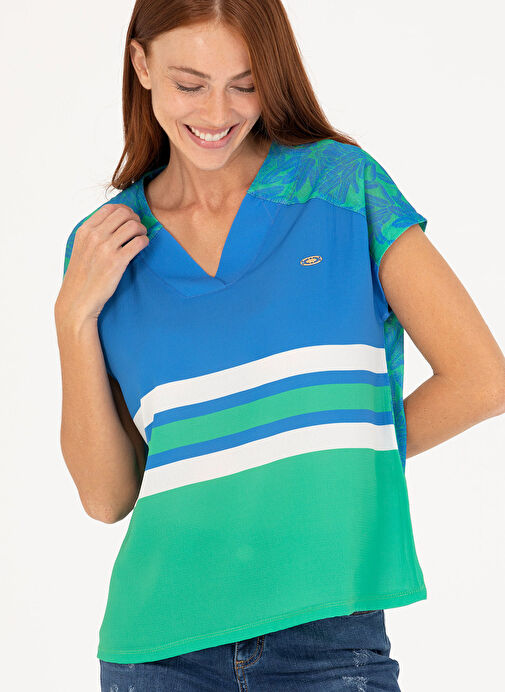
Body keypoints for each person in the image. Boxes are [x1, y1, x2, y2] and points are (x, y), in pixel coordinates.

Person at [54, 1, 505, 690]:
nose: (217, 112)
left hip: (327, 642)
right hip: (157, 649)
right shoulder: (106, 244)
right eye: (189, 83)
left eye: (245, 83)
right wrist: (71, 317)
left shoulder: (341, 187)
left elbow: (481, 379)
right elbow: (106, 496)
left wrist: (329, 449)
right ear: (140, 64)